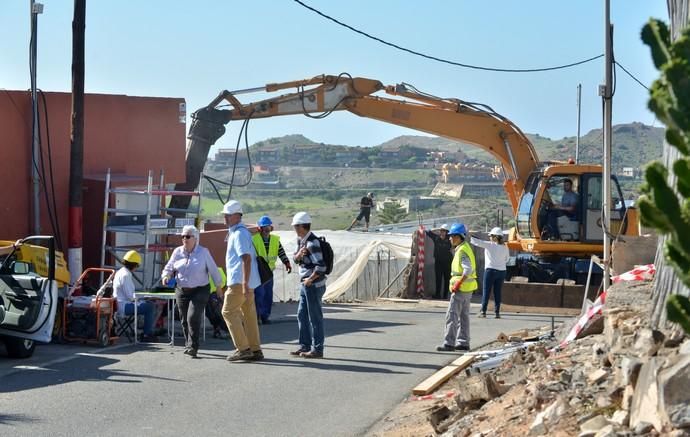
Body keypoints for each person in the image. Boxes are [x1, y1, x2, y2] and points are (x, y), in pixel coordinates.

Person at [161, 225, 222, 358]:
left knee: (192, 317)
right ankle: (189, 344)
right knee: (183, 319)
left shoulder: (203, 252)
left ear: (195, 238)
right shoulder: (177, 252)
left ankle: (193, 346)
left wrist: (218, 286)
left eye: (188, 236)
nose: (184, 239)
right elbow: (169, 267)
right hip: (182, 290)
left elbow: (213, 269)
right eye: (182, 236)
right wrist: (166, 276)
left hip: (200, 289)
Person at [221, 200, 264, 362]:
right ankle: (255, 349)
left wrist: (244, 284)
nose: (225, 218)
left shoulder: (238, 234)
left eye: (228, 215)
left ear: (237, 216)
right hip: (247, 281)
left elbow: (245, 259)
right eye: (225, 215)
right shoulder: (241, 232)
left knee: (228, 312)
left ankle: (243, 348)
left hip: (240, 282)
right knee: (248, 314)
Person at [290, 211, 328, 359]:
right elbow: (295, 259)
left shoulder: (312, 243)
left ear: (301, 227)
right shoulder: (301, 242)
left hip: (312, 284)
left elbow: (321, 266)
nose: (294, 229)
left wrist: (310, 279)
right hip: (306, 284)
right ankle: (304, 346)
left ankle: (317, 349)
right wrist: (298, 255)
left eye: (295, 226)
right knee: (302, 315)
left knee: (315, 317)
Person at [437, 223, 477, 352]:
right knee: (464, 316)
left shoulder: (462, 250)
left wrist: (458, 283)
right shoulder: (464, 247)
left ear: (459, 237)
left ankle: (449, 343)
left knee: (452, 315)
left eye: (452, 236)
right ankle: (464, 342)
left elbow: (467, 269)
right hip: (467, 288)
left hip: (460, 288)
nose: (449, 238)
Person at [252, 215, 292, 324]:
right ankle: (257, 316)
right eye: (264, 228)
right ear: (259, 229)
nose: (266, 230)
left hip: (269, 273)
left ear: (271, 228)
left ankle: (265, 316)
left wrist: (287, 262)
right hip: (258, 273)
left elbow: (281, 252)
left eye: (268, 227)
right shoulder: (254, 240)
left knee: (268, 295)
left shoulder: (275, 240)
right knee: (259, 294)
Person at [113, 250, 157, 342]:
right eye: (137, 265)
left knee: (148, 304)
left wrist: (142, 298)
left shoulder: (120, 272)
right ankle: (146, 334)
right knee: (150, 307)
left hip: (120, 304)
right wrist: (144, 297)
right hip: (124, 306)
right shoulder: (126, 275)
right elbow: (131, 296)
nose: (137, 268)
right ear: (134, 265)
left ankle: (146, 329)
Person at [470, 227, 510, 319]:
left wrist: (469, 234)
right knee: (497, 292)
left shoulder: (490, 245)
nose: (490, 237)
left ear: (496, 237)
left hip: (490, 271)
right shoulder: (505, 246)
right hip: (502, 271)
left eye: (491, 236)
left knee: (486, 291)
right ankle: (497, 313)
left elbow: (477, 242)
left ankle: (483, 311)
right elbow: (507, 259)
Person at [425, 224, 453, 299]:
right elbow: (427, 231)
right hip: (438, 262)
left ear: (447, 232)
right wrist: (436, 229)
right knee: (438, 278)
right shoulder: (436, 238)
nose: (442, 232)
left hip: (448, 262)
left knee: (447, 278)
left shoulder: (450, 239)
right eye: (441, 230)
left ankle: (445, 295)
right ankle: (437, 294)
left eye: (443, 231)